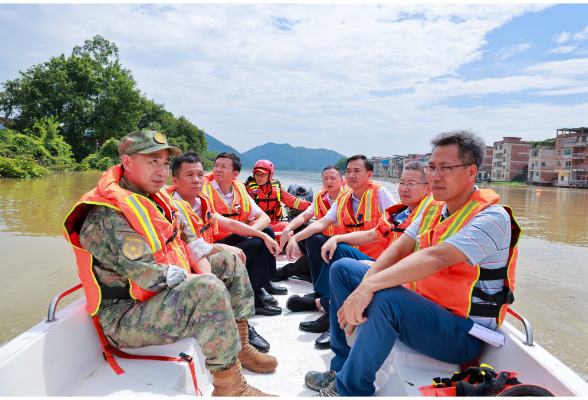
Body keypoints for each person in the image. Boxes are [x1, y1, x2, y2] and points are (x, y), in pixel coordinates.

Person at [306, 130, 520, 397]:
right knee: (343, 268)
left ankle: (349, 390)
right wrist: (365, 284)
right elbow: (399, 247)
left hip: (463, 334)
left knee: (386, 297)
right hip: (425, 310)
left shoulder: (492, 218)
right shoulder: (433, 207)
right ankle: (340, 368)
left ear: (471, 172)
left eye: (445, 168)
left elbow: (436, 257)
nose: (435, 175)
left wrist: (367, 288)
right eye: (432, 167)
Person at [63, 131, 278, 397]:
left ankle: (239, 345)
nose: (162, 170)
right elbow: (150, 275)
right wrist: (208, 286)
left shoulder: (160, 201)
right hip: (126, 318)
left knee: (229, 261)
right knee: (207, 288)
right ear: (127, 162)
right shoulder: (110, 215)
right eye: (153, 161)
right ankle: (230, 389)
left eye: (165, 163)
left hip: (156, 299)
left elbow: (192, 242)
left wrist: (212, 267)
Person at [166, 151, 279, 354]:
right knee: (230, 257)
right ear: (175, 180)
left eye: (200, 175)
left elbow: (229, 222)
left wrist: (263, 236)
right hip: (181, 267)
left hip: (203, 256)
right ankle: (234, 329)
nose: (197, 180)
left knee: (249, 245)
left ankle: (242, 329)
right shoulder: (170, 207)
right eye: (189, 175)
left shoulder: (202, 202)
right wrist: (220, 248)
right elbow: (189, 248)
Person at [284, 155, 397, 350]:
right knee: (316, 239)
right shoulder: (345, 198)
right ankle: (325, 299)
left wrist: (337, 239)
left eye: (357, 171)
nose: (351, 175)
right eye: (349, 171)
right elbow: (320, 223)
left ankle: (330, 312)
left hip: (375, 260)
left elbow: (389, 230)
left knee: (335, 246)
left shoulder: (381, 194)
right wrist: (294, 237)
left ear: (369, 174)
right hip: (350, 254)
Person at [317, 161, 432, 295]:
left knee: (342, 266)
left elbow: (421, 260)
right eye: (402, 183)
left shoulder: (429, 214)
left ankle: (326, 303)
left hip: (403, 275)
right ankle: (325, 297)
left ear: (428, 189)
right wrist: (336, 238)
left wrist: (378, 267)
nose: (404, 188)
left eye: (411, 184)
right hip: (384, 263)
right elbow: (372, 234)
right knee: (335, 247)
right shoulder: (401, 211)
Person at [203, 152, 286, 316]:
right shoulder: (204, 189)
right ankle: (256, 293)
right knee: (259, 241)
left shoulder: (239, 189)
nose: (217, 169)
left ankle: (264, 283)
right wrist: (256, 235)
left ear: (235, 174)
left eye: (224, 166)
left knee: (267, 231)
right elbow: (229, 223)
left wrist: (252, 233)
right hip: (213, 245)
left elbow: (264, 217)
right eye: (216, 165)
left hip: (235, 238)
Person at [274, 165, 347, 285]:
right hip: (324, 239)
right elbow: (303, 216)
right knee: (299, 228)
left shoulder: (347, 197)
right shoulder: (320, 197)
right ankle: (311, 268)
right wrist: (287, 229)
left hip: (342, 242)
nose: (329, 181)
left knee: (315, 241)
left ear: (342, 180)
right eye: (325, 178)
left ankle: (286, 271)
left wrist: (294, 238)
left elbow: (322, 223)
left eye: (333, 178)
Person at [245, 159, 311, 242]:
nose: (259, 177)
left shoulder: (277, 188)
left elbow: (292, 200)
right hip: (256, 223)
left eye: (263, 174)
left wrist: (311, 205)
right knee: (256, 228)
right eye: (257, 174)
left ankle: (277, 250)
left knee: (288, 227)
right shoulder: (247, 188)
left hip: (274, 222)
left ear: (270, 175)